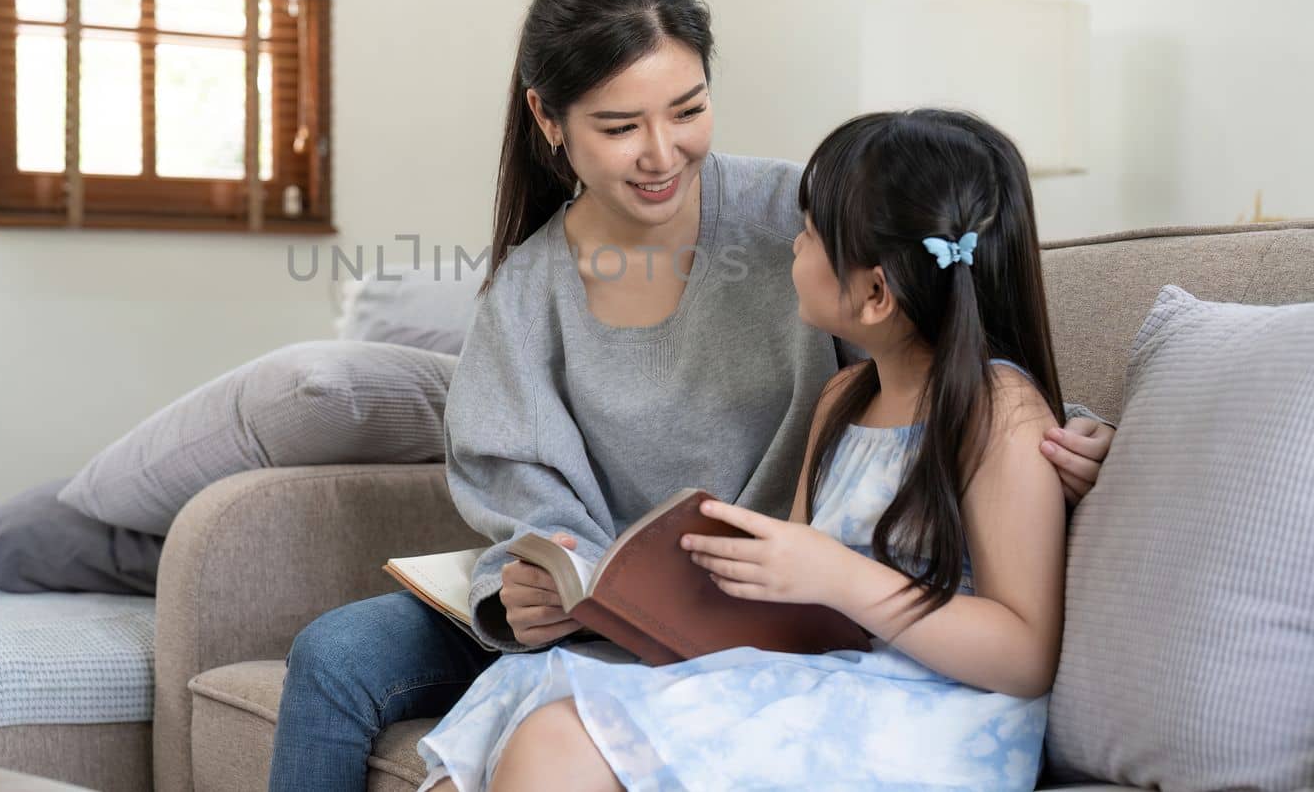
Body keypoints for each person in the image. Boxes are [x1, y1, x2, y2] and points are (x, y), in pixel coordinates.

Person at [266, 0, 1114, 791]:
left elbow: (938, 357)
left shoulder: (807, 214)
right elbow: (518, 490)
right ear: (549, 118)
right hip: (598, 611)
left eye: (688, 109)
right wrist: (527, 584)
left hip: (775, 613)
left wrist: (1070, 430)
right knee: (338, 656)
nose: (662, 153)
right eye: (620, 125)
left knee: (537, 739)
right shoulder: (527, 291)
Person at [418, 108, 1069, 790]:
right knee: (524, 684)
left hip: (935, 720)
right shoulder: (842, 399)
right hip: (827, 679)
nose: (793, 244)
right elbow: (792, 603)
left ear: (875, 292)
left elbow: (1024, 653)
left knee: (561, 734)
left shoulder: (999, 414)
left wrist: (842, 577)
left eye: (811, 234)